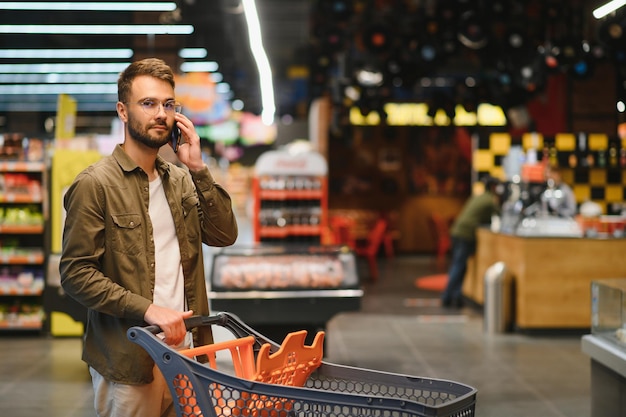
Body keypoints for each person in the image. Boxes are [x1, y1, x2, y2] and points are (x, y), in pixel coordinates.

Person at [59, 57, 238, 417]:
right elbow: (76, 274)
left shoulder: (182, 179)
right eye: (149, 103)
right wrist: (149, 310)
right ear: (123, 112)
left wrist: (199, 168)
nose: (161, 114)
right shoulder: (95, 184)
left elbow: (223, 234)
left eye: (168, 104)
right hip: (131, 359)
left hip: (189, 351)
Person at [441, 176, 501, 308]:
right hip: (466, 234)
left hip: (457, 231)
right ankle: (447, 297)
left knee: (460, 265)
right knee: (459, 265)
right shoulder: (490, 200)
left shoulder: (478, 196)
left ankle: (455, 296)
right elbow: (499, 215)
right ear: (494, 188)